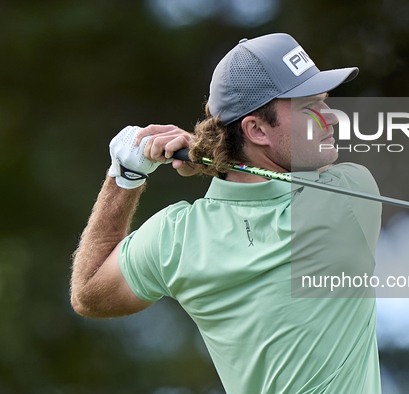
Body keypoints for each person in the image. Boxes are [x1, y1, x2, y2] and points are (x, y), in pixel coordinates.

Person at [71, 33, 382, 393]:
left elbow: (88, 293)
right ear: (256, 129)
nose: (332, 119)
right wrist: (210, 163)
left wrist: (124, 178)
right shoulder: (350, 193)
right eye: (310, 106)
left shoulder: (177, 239)